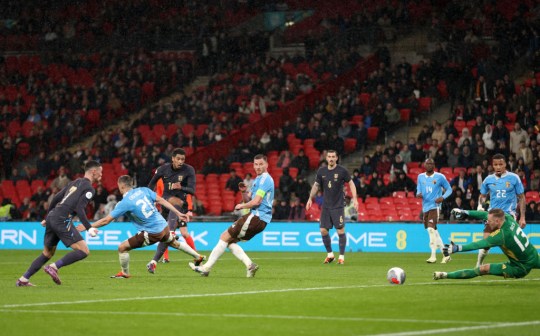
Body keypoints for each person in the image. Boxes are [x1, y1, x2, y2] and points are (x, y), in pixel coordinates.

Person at [90, 175, 204, 278]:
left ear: (121, 186)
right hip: (163, 226)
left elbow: (106, 220)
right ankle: (198, 256)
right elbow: (161, 200)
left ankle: (125, 273)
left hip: (152, 232)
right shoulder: (144, 190)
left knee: (122, 248)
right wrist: (178, 213)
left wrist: (88, 226)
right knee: (174, 243)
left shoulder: (124, 202)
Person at [16, 161, 103, 287]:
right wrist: (89, 228)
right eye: (100, 171)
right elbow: (80, 209)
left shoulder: (74, 182)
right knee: (84, 251)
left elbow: (56, 197)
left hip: (53, 216)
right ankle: (54, 267)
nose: (101, 174)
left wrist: (48, 217)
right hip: (62, 218)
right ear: (93, 171)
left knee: (47, 253)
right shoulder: (89, 188)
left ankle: (23, 279)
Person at [189, 154, 274, 277]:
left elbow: (257, 201)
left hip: (256, 216)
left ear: (267, 165)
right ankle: (250, 266)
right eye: (256, 164)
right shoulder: (258, 180)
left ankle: (206, 268)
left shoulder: (266, 179)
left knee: (224, 236)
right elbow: (248, 199)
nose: (258, 167)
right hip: (259, 219)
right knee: (229, 241)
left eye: (261, 164)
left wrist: (241, 206)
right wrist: (243, 192)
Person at [434, 208, 540, 280]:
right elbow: (484, 214)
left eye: (489, 221)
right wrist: (465, 212)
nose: (487, 222)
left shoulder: (501, 235)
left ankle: (445, 275)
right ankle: (444, 275)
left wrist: (457, 248)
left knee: (483, 269)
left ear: (497, 221)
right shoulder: (507, 218)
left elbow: (479, 244)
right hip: (534, 256)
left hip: (520, 267)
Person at [306, 150, 358, 265]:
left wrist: (355, 198)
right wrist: (310, 198)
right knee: (323, 230)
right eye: (329, 156)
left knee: (340, 231)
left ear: (336, 158)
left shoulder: (342, 171)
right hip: (326, 206)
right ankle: (330, 255)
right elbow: (316, 185)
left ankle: (341, 257)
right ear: (326, 158)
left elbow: (351, 183)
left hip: (338, 206)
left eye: (333, 156)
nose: (331, 158)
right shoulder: (321, 171)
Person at [147, 148, 196, 266]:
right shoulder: (163, 170)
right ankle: (164, 258)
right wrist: (150, 198)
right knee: (164, 233)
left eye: (183, 159)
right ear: (173, 159)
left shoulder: (189, 170)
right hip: (165, 205)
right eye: (178, 159)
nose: (180, 161)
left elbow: (192, 190)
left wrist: (181, 188)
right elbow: (151, 184)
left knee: (183, 232)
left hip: (180, 205)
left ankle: (195, 254)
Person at [477, 153, 526, 268]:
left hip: (508, 215)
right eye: (495, 164)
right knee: (486, 243)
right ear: (492, 166)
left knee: (511, 243)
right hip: (492, 216)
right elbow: (482, 195)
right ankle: (479, 264)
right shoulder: (488, 179)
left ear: (505, 165)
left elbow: (522, 197)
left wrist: (522, 217)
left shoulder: (514, 178)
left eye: (501, 164)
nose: (498, 167)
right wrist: (480, 205)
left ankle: (521, 263)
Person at [416, 158, 452, 263]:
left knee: (431, 230)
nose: (429, 165)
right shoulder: (420, 177)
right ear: (424, 165)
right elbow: (419, 188)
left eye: (431, 163)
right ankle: (446, 255)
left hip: (435, 207)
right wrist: (418, 194)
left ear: (434, 165)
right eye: (427, 163)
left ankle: (433, 256)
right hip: (425, 207)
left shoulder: (440, 177)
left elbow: (449, 189)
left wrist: (443, 197)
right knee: (434, 232)